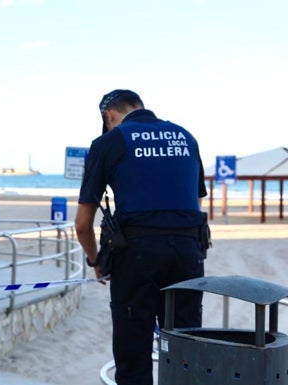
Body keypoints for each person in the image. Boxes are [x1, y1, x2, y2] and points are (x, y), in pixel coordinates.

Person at [74, 90, 209, 385]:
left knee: (133, 353)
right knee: (186, 349)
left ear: (109, 116)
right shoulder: (185, 136)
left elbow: (83, 224)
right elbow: (194, 205)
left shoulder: (108, 142)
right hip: (188, 253)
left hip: (136, 255)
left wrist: (96, 260)